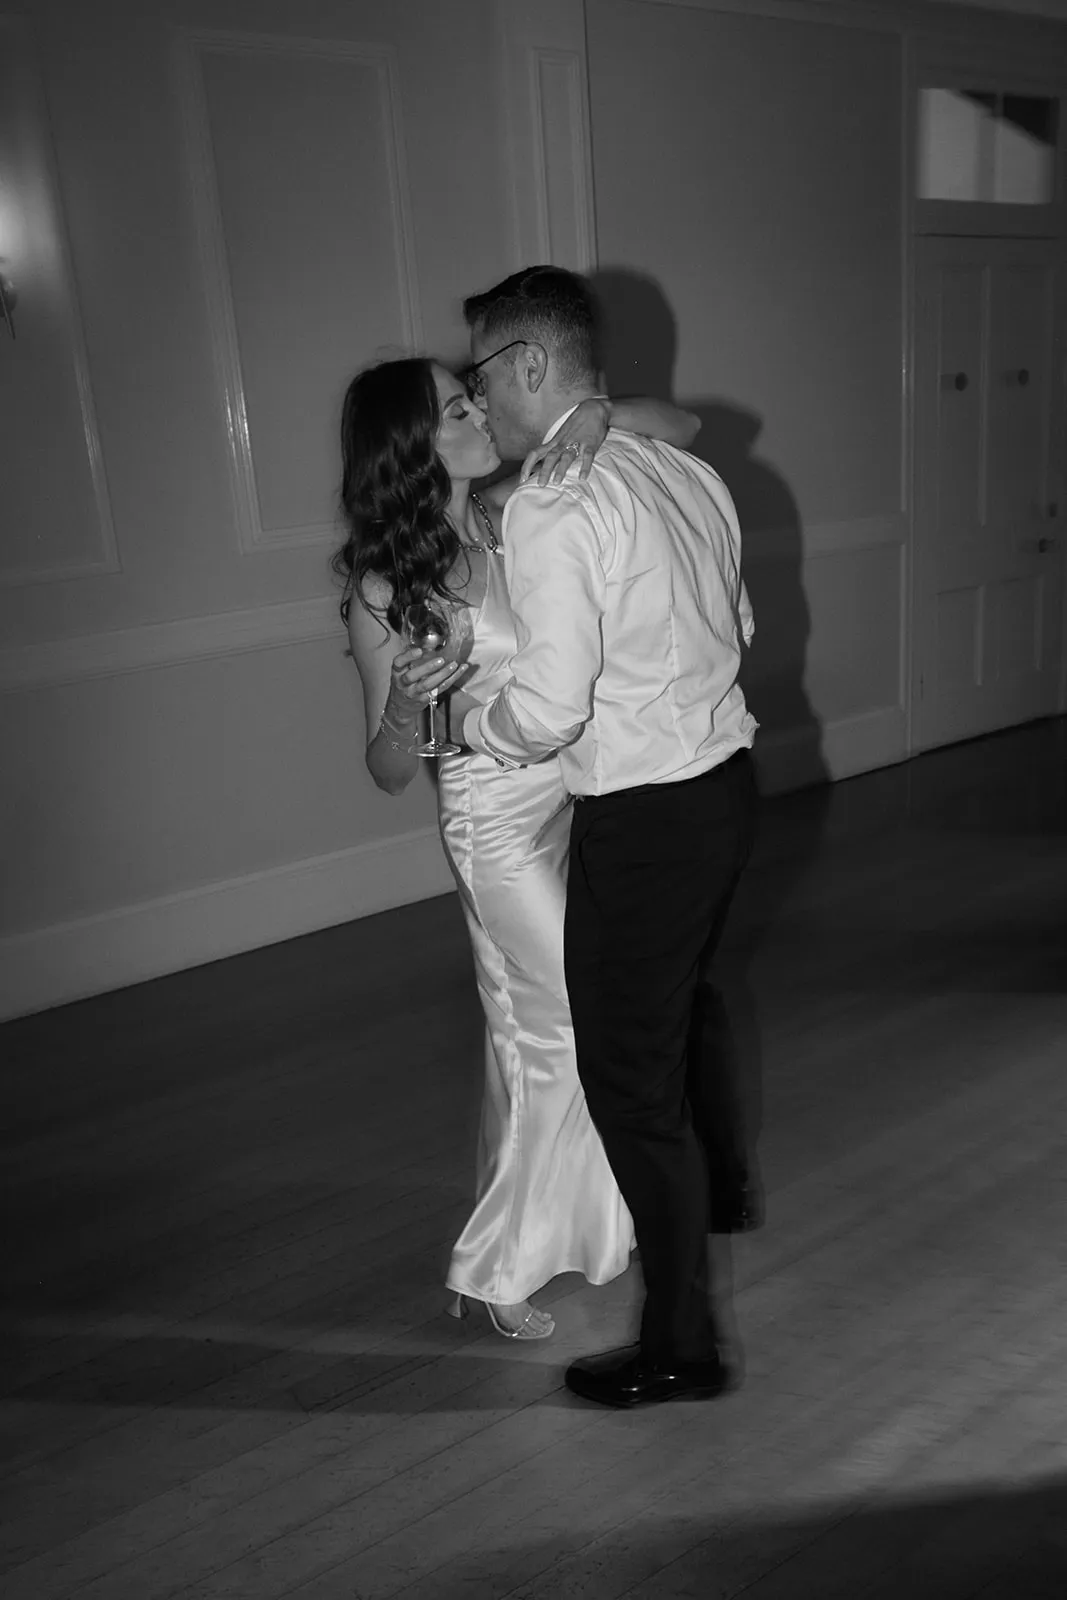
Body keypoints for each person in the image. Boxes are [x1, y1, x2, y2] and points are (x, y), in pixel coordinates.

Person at [336, 354, 702, 1339]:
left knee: (528, 1038)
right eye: (456, 409)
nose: (478, 413)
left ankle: (555, 1226)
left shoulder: (507, 510)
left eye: (471, 397)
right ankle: (498, 1263)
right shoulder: (382, 585)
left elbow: (683, 424)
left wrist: (593, 415)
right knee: (562, 1028)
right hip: (491, 826)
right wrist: (408, 705)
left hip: (567, 804)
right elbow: (383, 767)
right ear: (413, 448)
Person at [450, 266, 758, 1405]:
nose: (478, 400)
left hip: (646, 818)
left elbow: (545, 708)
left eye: (481, 373)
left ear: (529, 364)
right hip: (724, 787)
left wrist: (470, 720)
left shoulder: (550, 502)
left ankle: (680, 1346)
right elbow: (736, 621)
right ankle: (710, 1197)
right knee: (669, 1027)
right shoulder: (684, 467)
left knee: (626, 1081)